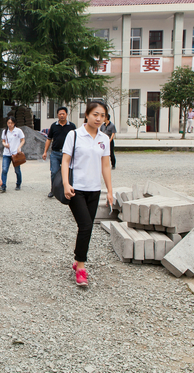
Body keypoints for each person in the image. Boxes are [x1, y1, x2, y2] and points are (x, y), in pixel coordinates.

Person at [61, 101, 113, 287]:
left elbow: (105, 165)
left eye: (102, 115)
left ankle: (78, 259)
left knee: (87, 228)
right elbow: (65, 161)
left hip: (94, 189)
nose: (98, 118)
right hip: (76, 189)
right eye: (95, 114)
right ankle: (81, 268)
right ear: (87, 115)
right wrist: (66, 184)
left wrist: (110, 191)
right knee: (85, 225)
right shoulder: (74, 135)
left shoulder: (104, 139)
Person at [42, 107, 76, 198]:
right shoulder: (54, 126)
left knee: (68, 172)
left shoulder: (72, 126)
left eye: (63, 114)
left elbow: (76, 140)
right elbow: (49, 139)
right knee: (54, 172)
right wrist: (45, 152)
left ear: (66, 114)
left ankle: (68, 189)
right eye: (60, 114)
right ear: (57, 115)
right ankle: (53, 190)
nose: (62, 115)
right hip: (55, 153)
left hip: (68, 154)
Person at [0, 116, 25, 192]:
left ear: (14, 123)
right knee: (4, 170)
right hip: (6, 153)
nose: (10, 124)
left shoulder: (18, 131)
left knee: (17, 170)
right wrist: (5, 145)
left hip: (16, 153)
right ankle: (3, 186)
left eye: (11, 123)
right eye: (8, 123)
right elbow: (3, 141)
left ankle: (18, 183)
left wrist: (19, 147)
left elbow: (23, 140)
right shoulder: (4, 131)